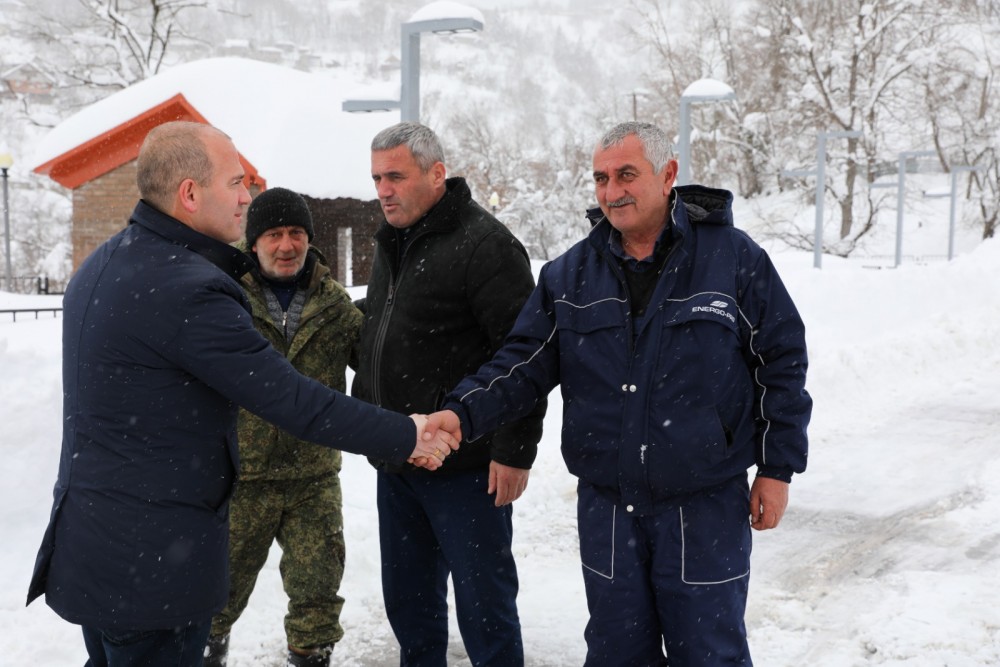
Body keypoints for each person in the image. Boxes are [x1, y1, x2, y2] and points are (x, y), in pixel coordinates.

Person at [25, 120, 456, 667]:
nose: (246, 196)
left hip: (97, 554)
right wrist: (409, 433)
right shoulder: (188, 290)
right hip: (152, 574)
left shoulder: (105, 264)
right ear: (189, 193)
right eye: (235, 182)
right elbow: (293, 401)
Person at [427, 121, 812, 666]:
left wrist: (777, 468)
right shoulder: (571, 275)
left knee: (710, 654)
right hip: (609, 511)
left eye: (626, 174)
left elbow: (782, 360)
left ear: (668, 174)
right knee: (615, 654)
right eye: (601, 178)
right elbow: (523, 363)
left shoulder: (733, 260)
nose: (612, 192)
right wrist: (460, 413)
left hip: (703, 506)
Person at [351, 121, 544, 667]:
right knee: (410, 611)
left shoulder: (487, 246)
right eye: (376, 178)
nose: (383, 189)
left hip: (467, 467)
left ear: (437, 174)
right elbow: (391, 330)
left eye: (395, 176)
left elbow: (526, 353)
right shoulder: (391, 240)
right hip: (399, 456)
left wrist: (514, 449)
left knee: (486, 613)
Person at [203, 187, 358, 667]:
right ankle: (207, 654)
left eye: (296, 233)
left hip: (313, 479)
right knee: (212, 598)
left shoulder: (336, 308)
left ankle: (310, 657)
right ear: (254, 243)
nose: (286, 245)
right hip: (240, 479)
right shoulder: (222, 301)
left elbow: (379, 367)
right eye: (273, 234)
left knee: (317, 600)